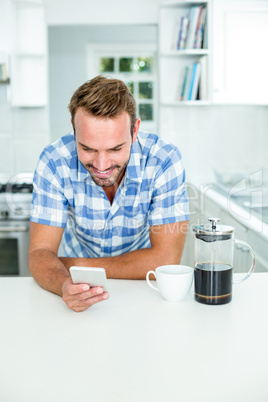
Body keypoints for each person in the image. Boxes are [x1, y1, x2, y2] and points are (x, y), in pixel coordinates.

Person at [28, 75, 190, 312]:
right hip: (75, 287)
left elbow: (165, 260)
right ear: (74, 129)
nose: (101, 165)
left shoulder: (163, 160)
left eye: (115, 148)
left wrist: (70, 264)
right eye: (87, 148)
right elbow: (40, 253)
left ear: (134, 131)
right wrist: (64, 282)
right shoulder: (54, 161)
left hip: (143, 289)